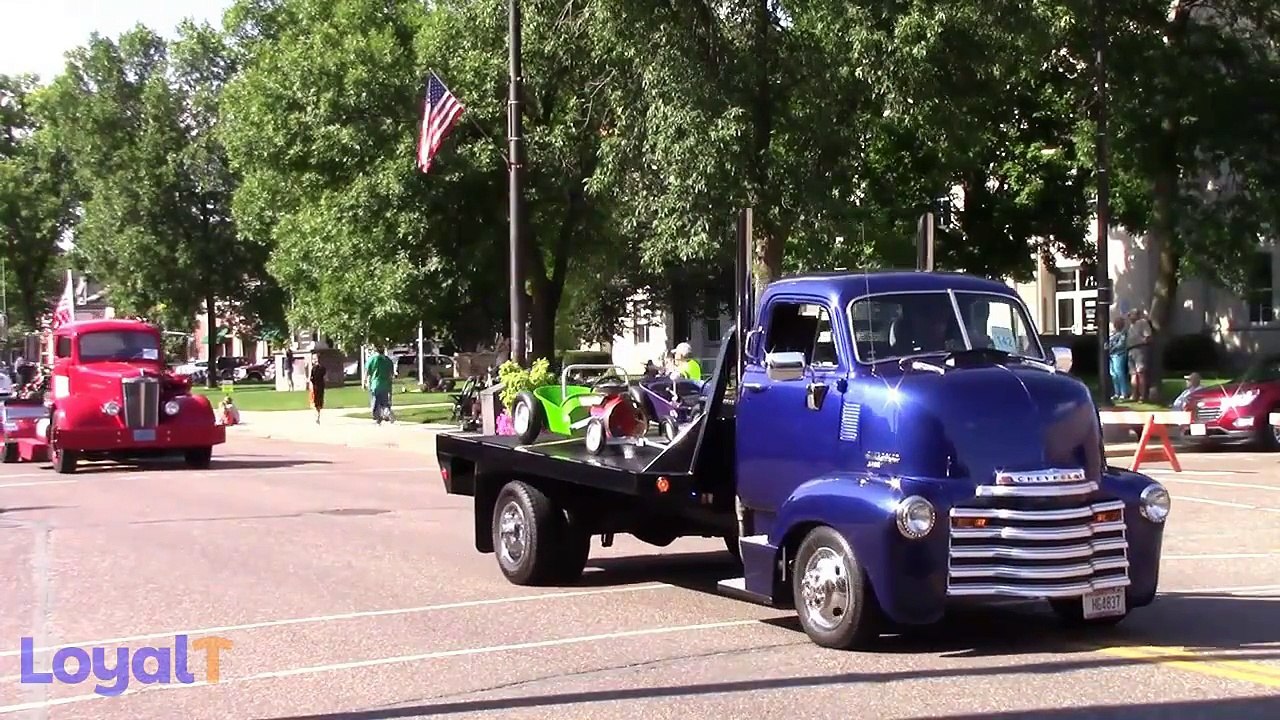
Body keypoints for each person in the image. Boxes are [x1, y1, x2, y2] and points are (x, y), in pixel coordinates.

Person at [1126, 308, 1153, 401]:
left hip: (1140, 349)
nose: (1129, 317)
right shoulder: (1131, 326)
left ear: (1137, 315)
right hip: (1130, 350)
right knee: (1133, 373)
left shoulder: (1142, 323)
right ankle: (1134, 395)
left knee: (1140, 373)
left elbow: (1148, 337)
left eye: (1131, 315)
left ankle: (1142, 396)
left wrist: (1141, 341)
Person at [366, 346, 395, 424]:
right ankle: (387, 412)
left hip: (375, 384)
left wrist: (365, 382)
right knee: (384, 403)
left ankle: (378, 418)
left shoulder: (371, 359)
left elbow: (368, 372)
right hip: (385, 385)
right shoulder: (388, 360)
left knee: (375, 403)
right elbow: (391, 374)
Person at [1106, 316, 1130, 401]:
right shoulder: (1113, 333)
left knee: (1120, 374)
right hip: (1111, 355)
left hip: (1119, 355)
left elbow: (1121, 344)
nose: (1116, 325)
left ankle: (1124, 393)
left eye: (1118, 323)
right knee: (1113, 374)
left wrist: (1111, 348)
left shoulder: (1123, 333)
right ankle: (1117, 393)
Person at [308, 358, 327, 424]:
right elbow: (325, 377)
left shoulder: (314, 368)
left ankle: (317, 415)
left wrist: (313, 383)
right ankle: (318, 415)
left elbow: (311, 378)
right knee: (319, 401)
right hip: (321, 386)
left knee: (316, 401)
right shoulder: (323, 368)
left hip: (316, 387)